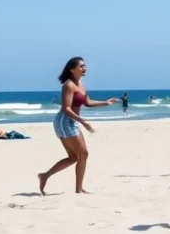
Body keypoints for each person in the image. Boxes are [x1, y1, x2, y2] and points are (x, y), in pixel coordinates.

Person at [38, 57, 119, 195]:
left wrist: (106, 103)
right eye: (81, 66)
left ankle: (45, 176)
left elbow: (88, 102)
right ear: (72, 69)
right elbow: (66, 108)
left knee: (74, 157)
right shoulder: (68, 85)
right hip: (65, 121)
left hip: (72, 121)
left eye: (85, 66)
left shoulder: (80, 85)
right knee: (83, 154)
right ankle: (78, 189)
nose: (84, 68)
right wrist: (82, 121)